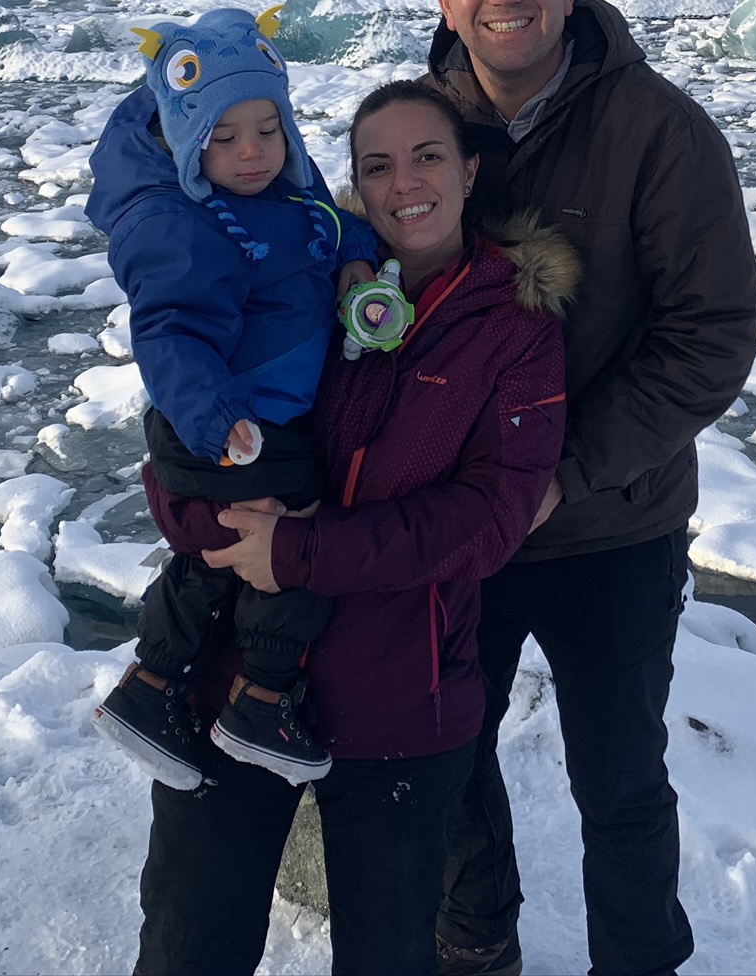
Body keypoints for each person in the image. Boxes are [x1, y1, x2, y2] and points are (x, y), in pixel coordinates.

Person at [133, 81, 581, 976]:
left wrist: (296, 551)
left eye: (427, 157)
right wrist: (207, 528)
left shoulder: (514, 327)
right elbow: (179, 448)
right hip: (231, 686)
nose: (404, 182)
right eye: (377, 165)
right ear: (355, 185)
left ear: (469, 172)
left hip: (402, 704)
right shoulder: (288, 277)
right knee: (187, 949)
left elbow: (487, 522)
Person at [426, 0, 756, 976]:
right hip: (456, 527)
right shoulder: (415, 135)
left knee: (618, 776)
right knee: (444, 754)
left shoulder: (658, 131)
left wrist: (566, 472)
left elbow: (708, 335)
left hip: (610, 525)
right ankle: (475, 941)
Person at [85, 7, 376, 789]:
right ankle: (261, 697)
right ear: (188, 142)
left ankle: (154, 687)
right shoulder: (193, 227)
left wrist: (359, 261)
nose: (252, 152)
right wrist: (219, 421)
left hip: (257, 416)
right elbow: (170, 333)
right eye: (224, 137)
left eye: (267, 129)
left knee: (220, 558)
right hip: (227, 421)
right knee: (292, 542)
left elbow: (328, 225)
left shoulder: (285, 189)